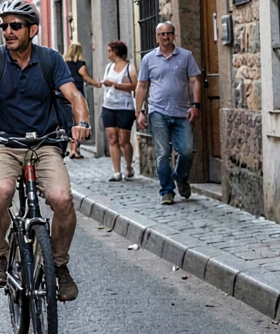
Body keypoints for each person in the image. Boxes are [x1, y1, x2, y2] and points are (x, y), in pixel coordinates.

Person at [0, 0, 91, 302]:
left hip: (45, 143)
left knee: (62, 199)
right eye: (4, 25)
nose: (8, 31)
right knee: (2, 192)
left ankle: (59, 265)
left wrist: (81, 122)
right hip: (3, 143)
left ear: (32, 30)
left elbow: (74, 96)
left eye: (15, 25)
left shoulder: (50, 60)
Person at [134, 21, 202, 205]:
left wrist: (196, 105)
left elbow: (195, 80)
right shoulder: (148, 59)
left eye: (169, 33)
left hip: (182, 111)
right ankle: (167, 191)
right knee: (162, 154)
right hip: (157, 112)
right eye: (162, 34)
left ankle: (180, 177)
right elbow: (141, 86)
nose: (166, 37)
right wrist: (138, 112)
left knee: (187, 151)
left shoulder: (186, 56)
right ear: (157, 37)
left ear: (173, 35)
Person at [79, 41, 138, 181]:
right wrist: (101, 84)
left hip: (125, 107)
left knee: (124, 140)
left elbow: (135, 86)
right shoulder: (109, 67)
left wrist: (116, 85)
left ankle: (128, 166)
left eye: (109, 51)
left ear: (116, 52)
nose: (108, 54)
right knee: (112, 138)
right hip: (109, 106)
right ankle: (116, 172)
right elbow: (105, 83)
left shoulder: (129, 68)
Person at [63, 42, 90, 159]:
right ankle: (75, 150)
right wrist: (98, 83)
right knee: (78, 123)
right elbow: (86, 77)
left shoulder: (64, 64)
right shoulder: (80, 64)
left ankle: (72, 149)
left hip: (65, 96)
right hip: (77, 96)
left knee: (70, 123)